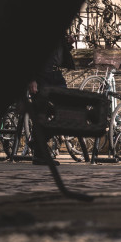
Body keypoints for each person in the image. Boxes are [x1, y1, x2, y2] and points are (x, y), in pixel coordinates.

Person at [28, 35, 75, 164]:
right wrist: (31, 79)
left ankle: (37, 140)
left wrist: (67, 44)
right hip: (41, 76)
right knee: (42, 112)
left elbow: (56, 54)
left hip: (56, 75)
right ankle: (39, 153)